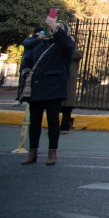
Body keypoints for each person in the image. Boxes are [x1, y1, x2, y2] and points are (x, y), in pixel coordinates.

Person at [19, 17, 77, 166]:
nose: (54, 30)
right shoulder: (41, 45)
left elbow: (66, 43)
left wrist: (57, 27)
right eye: (53, 28)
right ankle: (33, 152)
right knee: (34, 122)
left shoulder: (65, 45)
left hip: (54, 89)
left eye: (58, 29)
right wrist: (26, 73)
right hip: (37, 88)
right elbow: (28, 60)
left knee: (53, 122)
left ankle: (52, 152)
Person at [61, 33, 83, 133]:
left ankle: (65, 126)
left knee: (68, 105)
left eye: (72, 39)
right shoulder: (60, 50)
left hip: (69, 81)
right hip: (60, 79)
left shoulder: (75, 52)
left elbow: (77, 55)